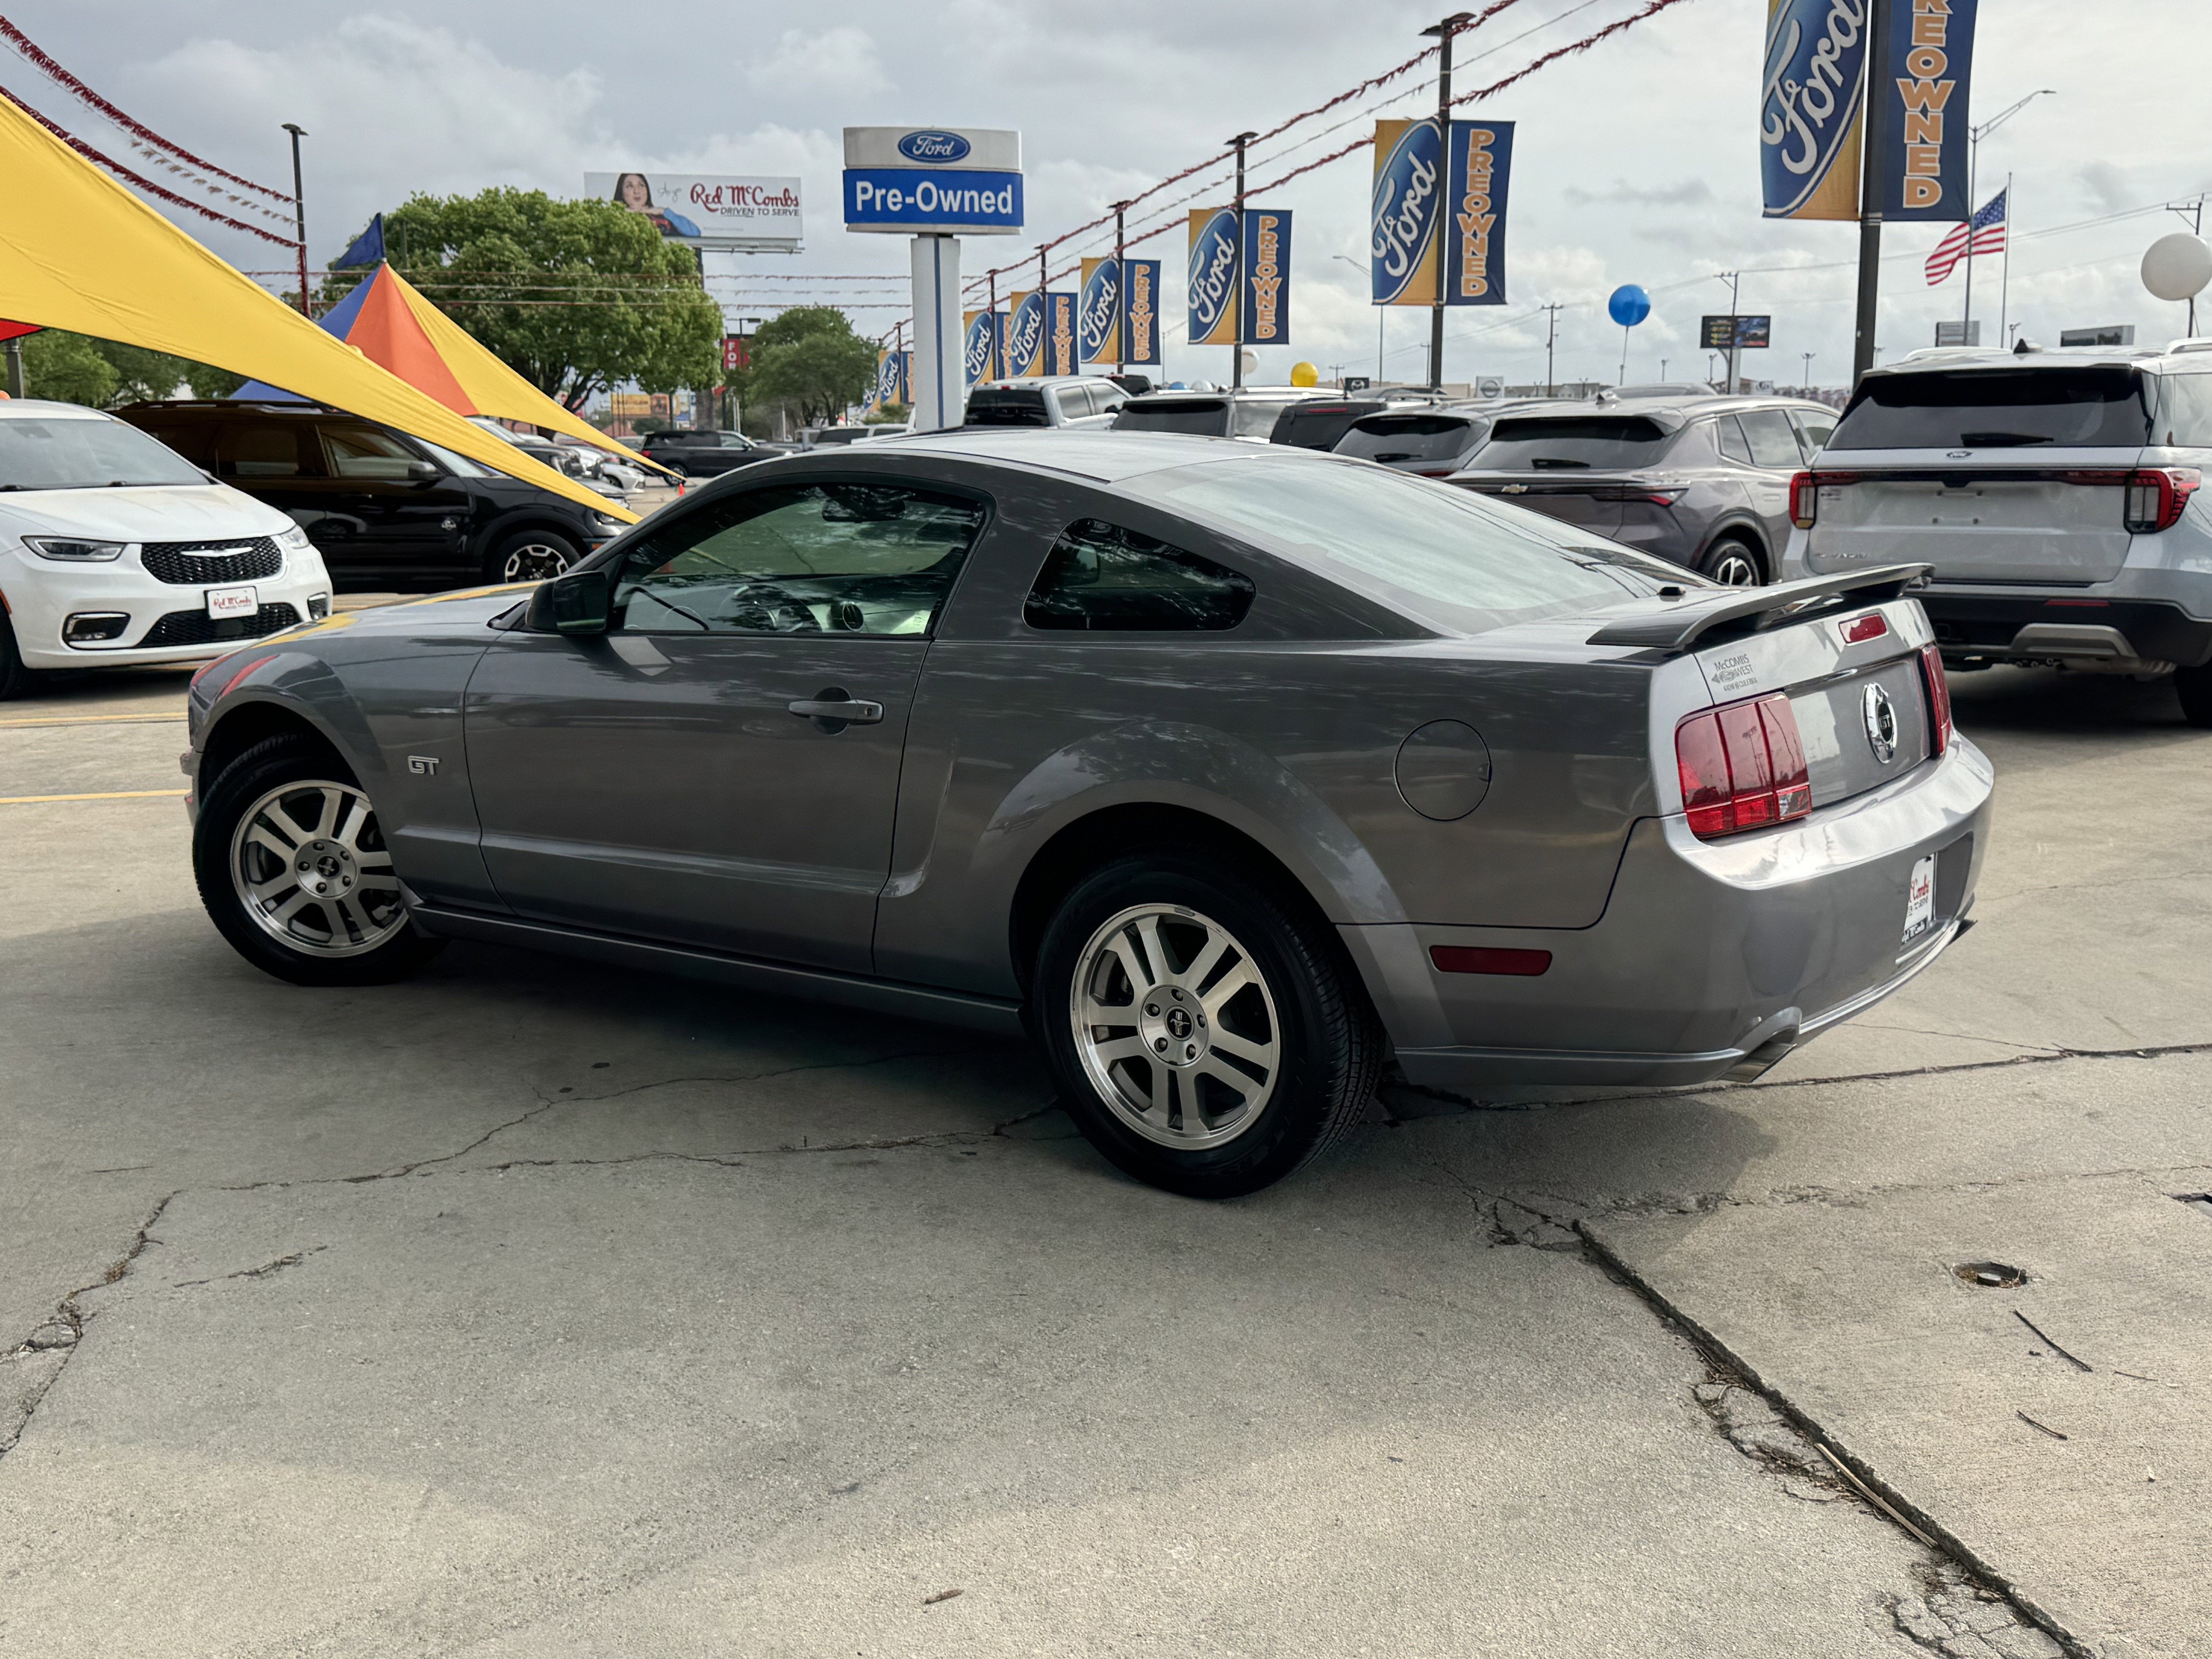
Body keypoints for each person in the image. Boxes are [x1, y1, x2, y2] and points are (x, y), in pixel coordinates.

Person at [610, 172, 701, 240]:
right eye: (630, 186)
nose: (637, 191)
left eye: (641, 185)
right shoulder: (613, 218)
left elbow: (695, 233)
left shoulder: (661, 217)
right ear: (621, 193)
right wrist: (623, 212)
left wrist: (664, 212)